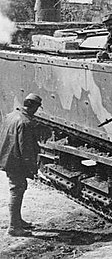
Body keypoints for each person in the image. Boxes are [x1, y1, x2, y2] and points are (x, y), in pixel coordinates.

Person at [0, 93, 42, 236]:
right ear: (33, 107)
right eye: (37, 107)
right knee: (17, 190)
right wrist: (32, 167)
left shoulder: (11, 115)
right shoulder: (25, 122)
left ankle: (18, 220)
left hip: (8, 157)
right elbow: (26, 149)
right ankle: (13, 227)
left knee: (18, 188)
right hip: (16, 162)